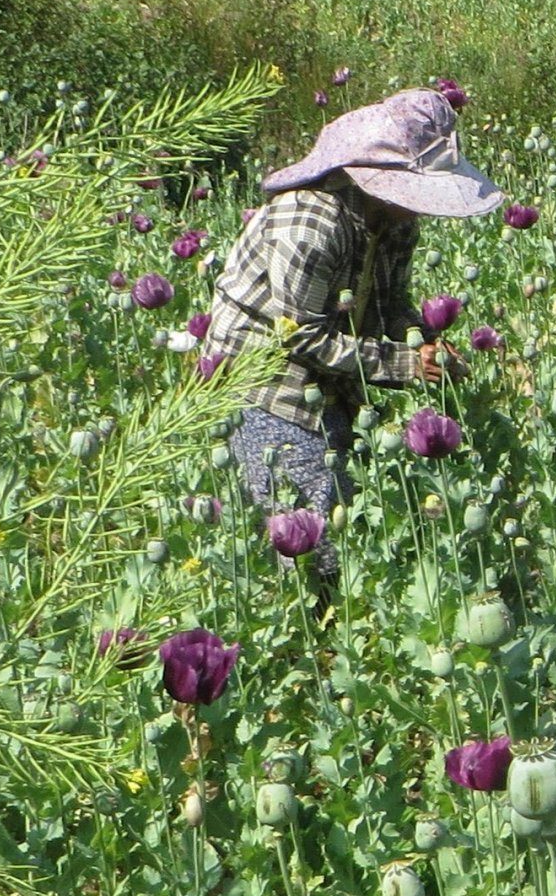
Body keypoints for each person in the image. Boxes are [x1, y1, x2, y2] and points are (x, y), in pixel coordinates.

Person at [201, 88, 503, 553]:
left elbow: (390, 303)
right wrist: (406, 365)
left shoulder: (396, 221)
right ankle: (307, 615)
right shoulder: (310, 223)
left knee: (351, 518)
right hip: (264, 383)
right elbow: (300, 338)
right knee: (312, 536)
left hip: (339, 379)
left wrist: (423, 341)